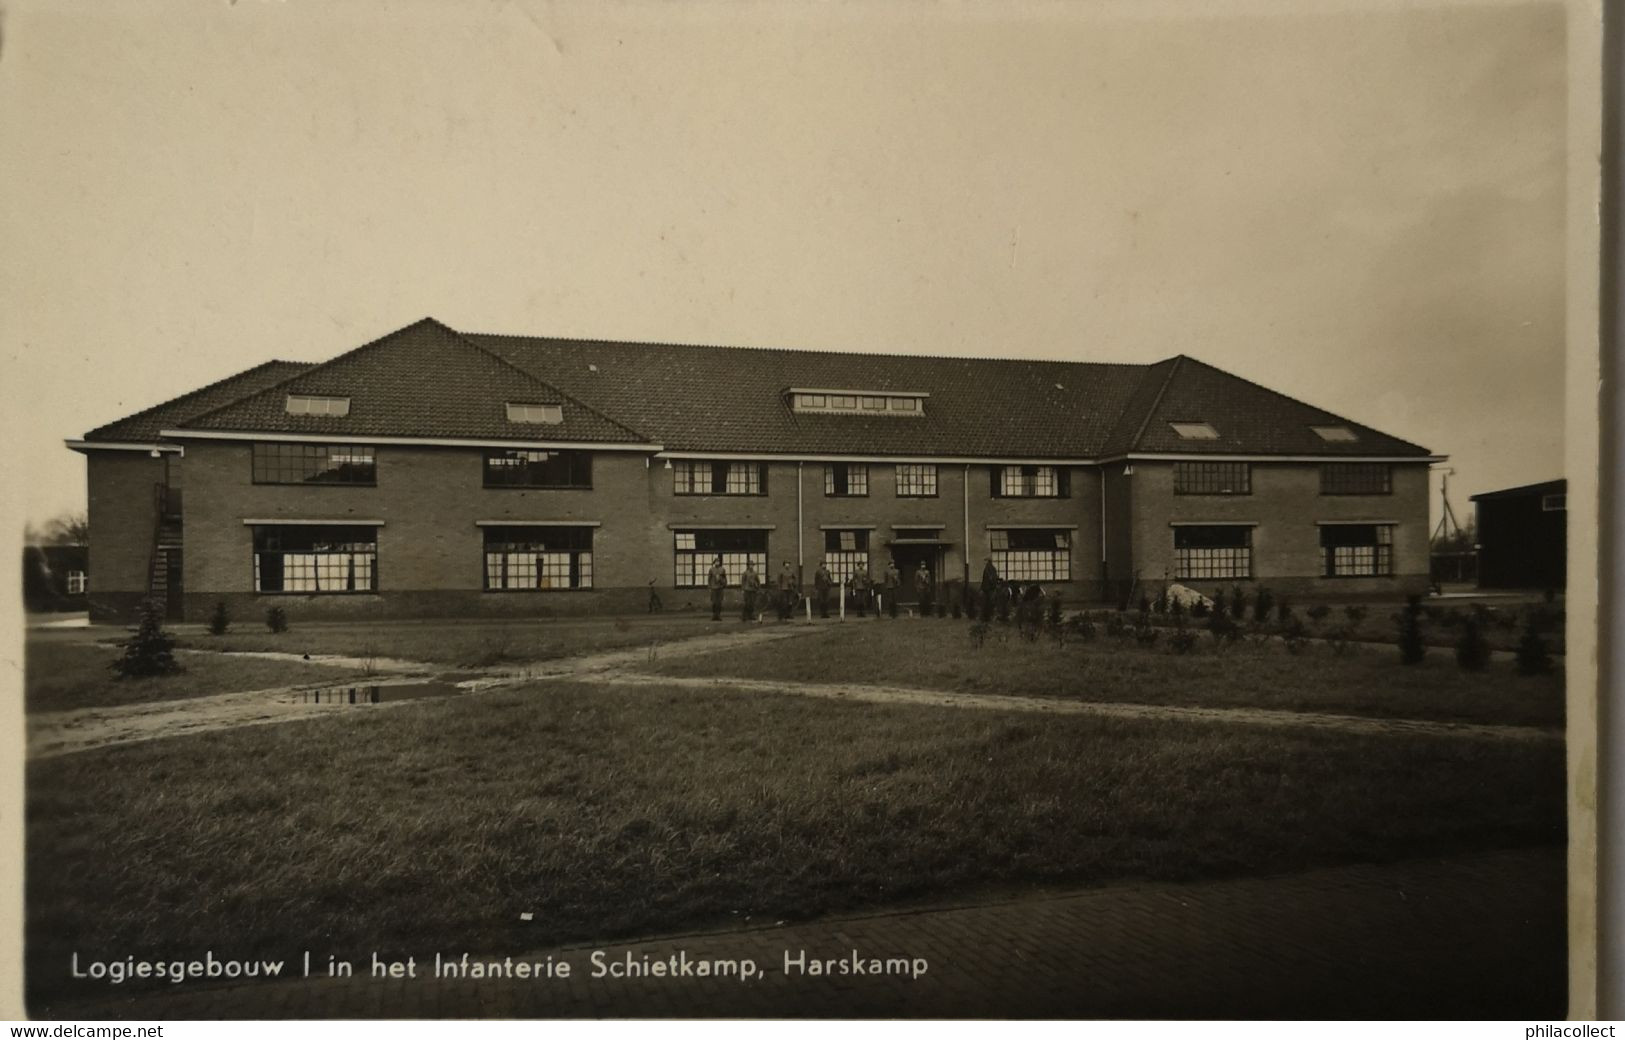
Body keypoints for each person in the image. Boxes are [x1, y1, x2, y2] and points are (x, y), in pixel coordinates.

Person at [706, 555, 727, 621]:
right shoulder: (711, 570)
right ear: (714, 563)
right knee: (714, 602)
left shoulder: (722, 569)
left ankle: (719, 615)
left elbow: (725, 578)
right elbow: (709, 579)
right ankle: (714, 615)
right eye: (716, 562)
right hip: (714, 588)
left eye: (718, 561)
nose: (717, 563)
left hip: (720, 588)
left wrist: (723, 583)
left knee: (719, 602)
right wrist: (709, 587)